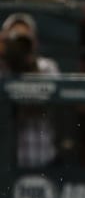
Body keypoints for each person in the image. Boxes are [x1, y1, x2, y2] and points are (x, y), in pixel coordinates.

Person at [0, 13, 60, 168]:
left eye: (24, 40)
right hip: (5, 165)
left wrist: (30, 63)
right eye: (14, 40)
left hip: (42, 161)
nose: (19, 45)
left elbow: (44, 106)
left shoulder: (47, 67)